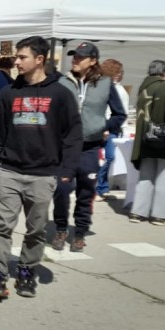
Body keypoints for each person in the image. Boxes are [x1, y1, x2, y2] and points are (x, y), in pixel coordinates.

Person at [0, 36, 82, 298]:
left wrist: (68, 169)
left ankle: (26, 271)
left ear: (39, 59)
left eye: (22, 57)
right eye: (16, 56)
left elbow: (72, 134)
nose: (16, 61)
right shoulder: (8, 93)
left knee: (36, 230)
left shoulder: (60, 94)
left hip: (43, 174)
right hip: (10, 172)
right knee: (2, 226)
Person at [51, 42, 126, 253]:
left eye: (80, 57)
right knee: (61, 190)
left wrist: (104, 127)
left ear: (93, 61)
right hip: (65, 147)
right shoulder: (62, 82)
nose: (75, 60)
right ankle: (61, 229)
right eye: (74, 56)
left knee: (86, 192)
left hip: (90, 147)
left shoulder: (105, 83)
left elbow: (119, 114)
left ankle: (80, 233)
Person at [129, 60, 165, 225]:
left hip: (145, 138)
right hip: (164, 137)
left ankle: (138, 212)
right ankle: (160, 215)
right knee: (164, 176)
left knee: (145, 176)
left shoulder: (143, 88)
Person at [96, 59, 131, 199]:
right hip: (110, 128)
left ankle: (103, 188)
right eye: (117, 71)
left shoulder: (118, 87)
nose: (120, 74)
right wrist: (105, 127)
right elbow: (105, 109)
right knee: (108, 157)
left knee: (109, 158)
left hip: (117, 127)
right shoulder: (108, 87)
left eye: (121, 72)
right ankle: (99, 187)